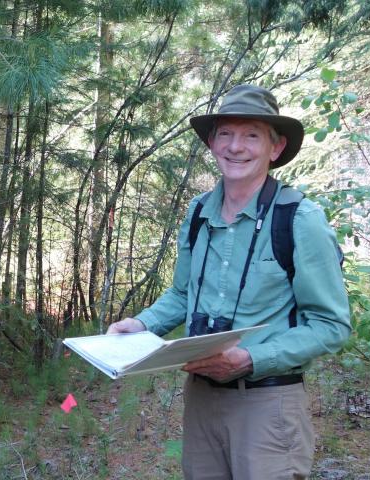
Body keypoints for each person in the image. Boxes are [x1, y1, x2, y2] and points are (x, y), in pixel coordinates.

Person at [107, 84, 351, 479]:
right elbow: (182, 294)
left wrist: (252, 358)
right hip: (201, 399)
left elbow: (330, 325)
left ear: (275, 148)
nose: (236, 146)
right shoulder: (199, 211)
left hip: (267, 405)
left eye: (251, 134)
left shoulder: (300, 219)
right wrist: (141, 325)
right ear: (211, 142)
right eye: (225, 133)